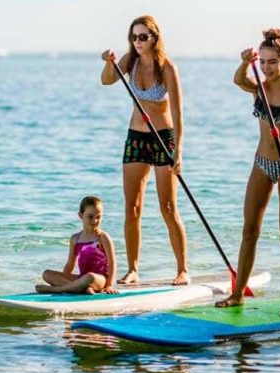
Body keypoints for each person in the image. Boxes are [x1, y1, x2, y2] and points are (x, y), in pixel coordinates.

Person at [216, 28, 280, 318]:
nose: (267, 68)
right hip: (261, 163)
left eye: (272, 62)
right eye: (263, 62)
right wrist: (246, 62)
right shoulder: (259, 86)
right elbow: (237, 80)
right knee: (249, 231)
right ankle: (237, 295)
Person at [100, 15, 189, 286]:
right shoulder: (130, 60)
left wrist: (179, 152)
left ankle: (183, 269)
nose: (137, 42)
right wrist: (108, 63)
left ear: (154, 38)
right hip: (136, 138)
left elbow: (178, 113)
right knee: (132, 207)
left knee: (168, 206)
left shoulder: (168, 68)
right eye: (134, 37)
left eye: (142, 37)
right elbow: (107, 81)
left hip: (164, 139)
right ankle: (133, 269)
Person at [36, 196, 118, 295]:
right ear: (80, 215)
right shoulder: (75, 239)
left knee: (89, 277)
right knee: (47, 274)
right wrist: (62, 278)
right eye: (90, 217)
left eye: (98, 217)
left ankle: (57, 289)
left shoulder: (102, 237)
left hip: (99, 280)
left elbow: (112, 263)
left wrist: (109, 285)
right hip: (81, 279)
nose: (95, 221)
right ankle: (82, 288)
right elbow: (70, 264)